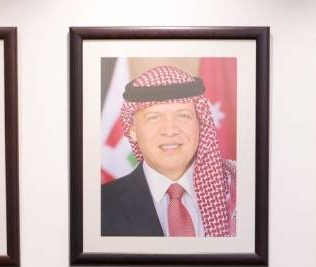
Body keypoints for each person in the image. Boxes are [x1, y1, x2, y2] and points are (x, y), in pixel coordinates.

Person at [101, 64, 236, 237]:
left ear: (200, 123)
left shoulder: (238, 189)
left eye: (183, 115)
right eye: (154, 117)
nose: (170, 130)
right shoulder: (100, 205)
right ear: (133, 130)